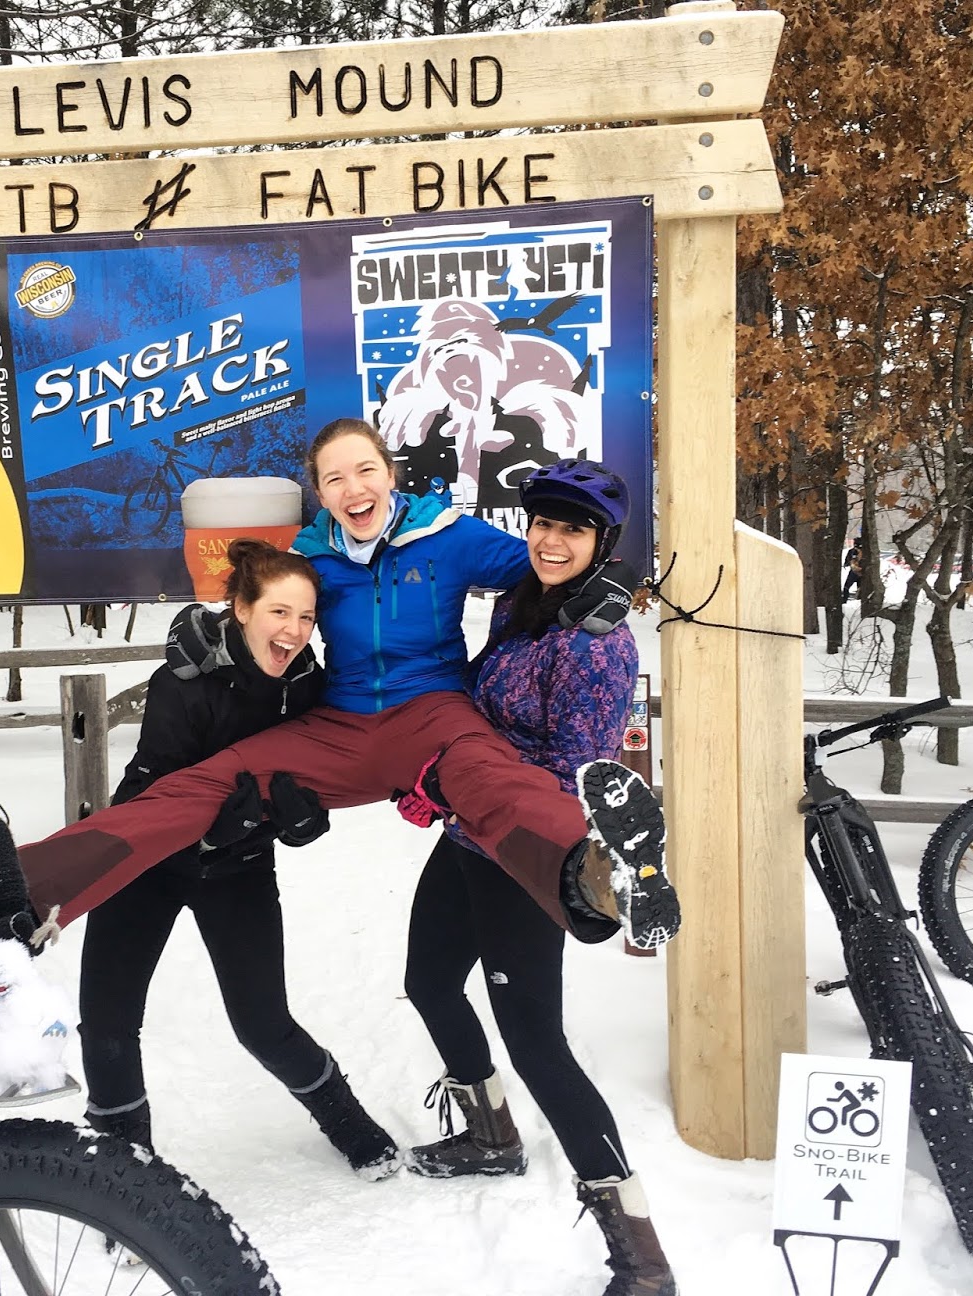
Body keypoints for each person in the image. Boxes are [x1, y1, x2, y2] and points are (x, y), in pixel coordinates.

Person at [2, 418, 678, 964]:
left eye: (365, 470)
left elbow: (545, 563)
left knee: (490, 780)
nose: (353, 488)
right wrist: (210, 634)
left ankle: (596, 872)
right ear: (320, 494)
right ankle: (19, 890)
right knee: (206, 784)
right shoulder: (311, 554)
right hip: (340, 726)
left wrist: (613, 582)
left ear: (389, 474)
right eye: (334, 478)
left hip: (433, 716)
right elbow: (263, 608)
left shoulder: (450, 537)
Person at [400, 460, 675, 1296]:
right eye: (543, 524)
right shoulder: (523, 606)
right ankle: (490, 1135)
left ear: (602, 542)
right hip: (468, 837)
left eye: (572, 529)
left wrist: (458, 785)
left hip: (526, 855)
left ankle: (641, 1254)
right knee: (428, 983)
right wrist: (435, 771)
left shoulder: (596, 643)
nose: (551, 540)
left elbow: (576, 777)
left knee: (537, 1044)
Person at [78, 539, 399, 1177]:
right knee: (108, 1020)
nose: (294, 631)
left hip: (238, 868)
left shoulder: (309, 689)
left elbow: (309, 782)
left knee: (262, 1021)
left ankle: (351, 1125)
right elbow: (157, 798)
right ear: (243, 609)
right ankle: (124, 1174)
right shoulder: (182, 683)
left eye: (306, 617)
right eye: (279, 612)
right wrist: (214, 832)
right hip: (145, 862)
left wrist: (300, 822)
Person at [842, 534, 864, 602]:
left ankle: (845, 600)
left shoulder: (852, 551)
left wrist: (847, 564)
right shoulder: (864, 551)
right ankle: (859, 600)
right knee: (860, 588)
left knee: (846, 587)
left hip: (854, 572)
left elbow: (847, 562)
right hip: (861, 572)